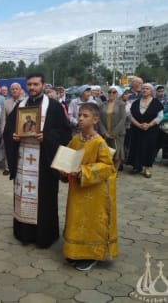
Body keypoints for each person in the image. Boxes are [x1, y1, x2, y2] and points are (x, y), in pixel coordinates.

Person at [4, 72, 71, 248]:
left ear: (43, 85)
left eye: (36, 84)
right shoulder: (21, 105)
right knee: (23, 196)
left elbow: (65, 133)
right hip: (23, 162)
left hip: (44, 163)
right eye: (30, 84)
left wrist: (47, 137)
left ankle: (45, 236)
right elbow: (8, 129)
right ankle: (24, 234)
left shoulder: (54, 107)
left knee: (45, 198)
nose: (32, 87)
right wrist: (14, 137)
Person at [60, 103, 118, 271]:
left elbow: (108, 167)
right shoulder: (76, 139)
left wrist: (83, 171)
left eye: (85, 116)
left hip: (94, 193)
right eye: (79, 115)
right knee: (76, 219)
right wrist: (63, 170)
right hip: (77, 189)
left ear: (95, 119)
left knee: (91, 222)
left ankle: (91, 255)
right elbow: (68, 158)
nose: (80, 118)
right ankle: (75, 251)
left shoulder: (99, 142)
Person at [127, 83, 164, 178]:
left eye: (147, 88)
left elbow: (160, 117)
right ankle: (136, 166)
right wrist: (139, 125)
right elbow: (130, 116)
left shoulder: (157, 103)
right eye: (143, 88)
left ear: (151, 91)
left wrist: (149, 125)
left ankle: (146, 168)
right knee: (136, 147)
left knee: (149, 148)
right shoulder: (135, 102)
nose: (144, 90)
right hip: (137, 129)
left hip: (151, 130)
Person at [98, 86, 126, 171]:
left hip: (118, 133)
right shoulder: (102, 104)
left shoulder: (121, 104)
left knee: (118, 152)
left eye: (114, 92)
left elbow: (123, 119)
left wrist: (114, 133)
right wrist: (104, 132)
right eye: (109, 92)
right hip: (105, 132)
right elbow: (99, 120)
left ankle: (115, 170)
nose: (111, 94)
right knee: (106, 152)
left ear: (117, 93)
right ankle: (107, 169)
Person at [2, 82, 24, 176]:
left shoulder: (25, 102)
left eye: (16, 89)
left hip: (21, 130)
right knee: (8, 149)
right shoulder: (6, 102)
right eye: (13, 89)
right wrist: (3, 131)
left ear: (20, 90)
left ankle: (20, 166)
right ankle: (8, 167)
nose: (14, 90)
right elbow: (3, 119)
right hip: (9, 131)